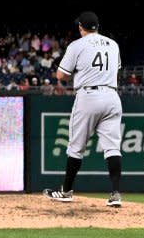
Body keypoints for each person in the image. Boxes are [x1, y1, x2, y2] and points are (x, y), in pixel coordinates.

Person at [44, 11, 124, 208]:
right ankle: (115, 194)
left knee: (76, 146)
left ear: (81, 27)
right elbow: (116, 69)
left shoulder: (77, 45)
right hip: (112, 96)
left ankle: (66, 191)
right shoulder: (113, 44)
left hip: (89, 96)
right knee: (112, 147)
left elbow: (61, 76)